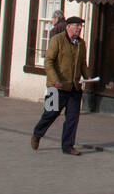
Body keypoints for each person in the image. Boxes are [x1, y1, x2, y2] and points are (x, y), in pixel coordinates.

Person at [30, 16, 92, 155]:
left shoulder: (81, 44)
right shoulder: (57, 40)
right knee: (50, 114)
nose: (79, 28)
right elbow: (48, 62)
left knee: (72, 118)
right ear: (68, 27)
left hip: (74, 87)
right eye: (76, 25)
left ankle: (68, 146)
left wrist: (88, 77)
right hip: (55, 87)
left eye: (80, 26)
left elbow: (83, 64)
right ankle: (37, 134)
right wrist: (55, 79)